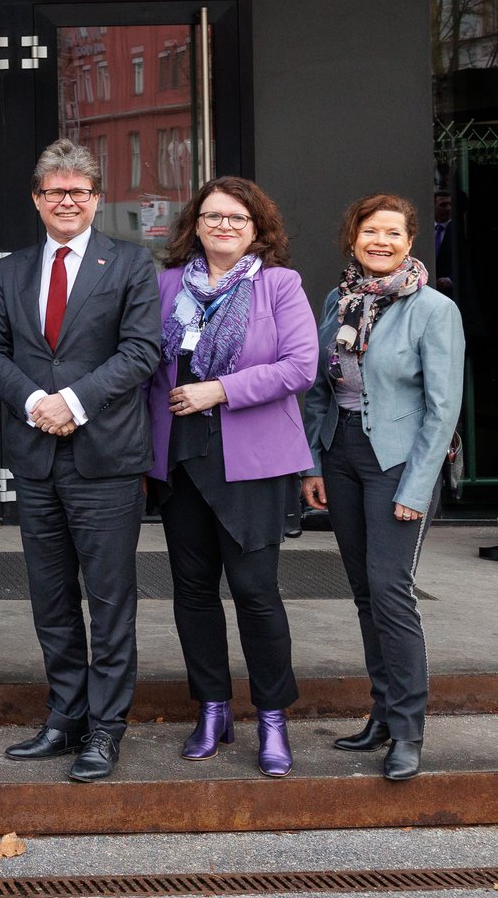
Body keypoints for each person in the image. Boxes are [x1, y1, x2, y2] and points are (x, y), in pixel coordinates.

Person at [0, 140, 160, 783]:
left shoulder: (132, 265)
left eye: (79, 193)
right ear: (36, 199)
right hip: (34, 458)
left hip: (105, 457)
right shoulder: (11, 270)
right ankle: (64, 715)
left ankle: (106, 729)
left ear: (95, 199)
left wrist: (73, 403)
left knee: (110, 602)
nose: (66, 202)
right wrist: (34, 401)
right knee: (50, 598)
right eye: (54, 192)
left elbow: (142, 352)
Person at [145, 178, 318, 777]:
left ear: (257, 228)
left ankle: (272, 717)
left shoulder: (279, 284)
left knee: (254, 591)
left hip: (252, 461)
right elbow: (146, 369)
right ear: (194, 225)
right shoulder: (167, 285)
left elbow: (301, 366)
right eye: (212, 216)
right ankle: (212, 708)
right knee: (193, 592)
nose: (223, 226)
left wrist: (218, 390)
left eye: (236, 218)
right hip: (180, 459)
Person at [302, 193, 465, 781]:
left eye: (393, 233)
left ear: (410, 242)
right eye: (370, 231)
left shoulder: (434, 309)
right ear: (353, 239)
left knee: (391, 590)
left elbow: (443, 409)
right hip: (340, 453)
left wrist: (417, 488)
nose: (381, 242)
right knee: (364, 591)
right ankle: (381, 713)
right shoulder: (337, 299)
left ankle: (408, 730)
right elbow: (319, 387)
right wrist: (312, 465)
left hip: (399, 460)